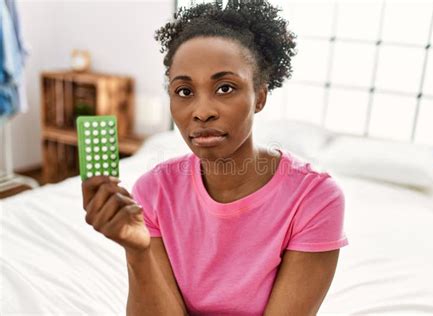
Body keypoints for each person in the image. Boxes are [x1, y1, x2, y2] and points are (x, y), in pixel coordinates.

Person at [81, 1, 349, 315]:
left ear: (259, 97)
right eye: (183, 91)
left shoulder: (314, 198)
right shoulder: (153, 191)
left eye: (225, 87)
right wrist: (137, 251)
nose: (203, 111)